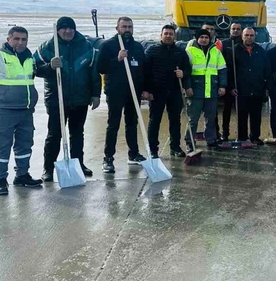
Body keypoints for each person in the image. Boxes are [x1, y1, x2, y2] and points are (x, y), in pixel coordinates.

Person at [0, 26, 42, 195]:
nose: (20, 42)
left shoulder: (30, 59)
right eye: (16, 39)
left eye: (24, 39)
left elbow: (30, 79)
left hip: (25, 109)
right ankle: (0, 179)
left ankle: (22, 175)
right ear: (8, 39)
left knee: (25, 144)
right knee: (2, 145)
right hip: (4, 110)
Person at [34, 16, 101, 181]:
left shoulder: (86, 46)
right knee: (54, 134)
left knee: (77, 134)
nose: (67, 31)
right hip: (57, 99)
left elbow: (94, 73)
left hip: (80, 98)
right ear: (58, 30)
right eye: (64, 28)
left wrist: (95, 94)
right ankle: (48, 168)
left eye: (71, 28)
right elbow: (35, 69)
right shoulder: (48, 47)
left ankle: (78, 164)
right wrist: (50, 66)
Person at [98, 17, 147, 174]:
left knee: (132, 123)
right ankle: (108, 158)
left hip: (133, 91)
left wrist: (144, 89)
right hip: (115, 91)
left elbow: (143, 69)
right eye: (124, 26)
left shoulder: (137, 47)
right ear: (117, 28)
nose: (127, 29)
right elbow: (101, 67)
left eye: (130, 27)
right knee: (113, 124)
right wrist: (117, 59)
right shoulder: (108, 45)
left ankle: (133, 154)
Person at [145, 24, 191, 158]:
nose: (168, 36)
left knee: (175, 121)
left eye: (171, 34)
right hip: (157, 92)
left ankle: (175, 147)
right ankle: (153, 150)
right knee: (154, 121)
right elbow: (145, 72)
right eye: (166, 34)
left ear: (174, 36)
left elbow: (188, 69)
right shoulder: (152, 50)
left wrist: (183, 73)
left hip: (175, 91)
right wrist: (146, 90)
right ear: (161, 35)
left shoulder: (180, 52)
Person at [185, 28, 226, 149]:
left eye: (206, 37)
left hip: (212, 90)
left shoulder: (216, 52)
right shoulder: (189, 51)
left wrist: (222, 86)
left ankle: (211, 140)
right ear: (197, 39)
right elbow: (186, 72)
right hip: (195, 91)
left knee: (211, 119)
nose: (204, 39)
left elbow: (222, 70)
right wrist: (187, 87)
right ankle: (190, 142)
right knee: (193, 119)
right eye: (201, 37)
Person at [233, 27, 271, 145]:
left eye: (251, 35)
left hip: (257, 88)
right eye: (246, 35)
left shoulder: (260, 51)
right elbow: (230, 70)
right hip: (241, 89)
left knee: (256, 115)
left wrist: (266, 87)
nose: (249, 37)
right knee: (242, 115)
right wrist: (232, 86)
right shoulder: (235, 50)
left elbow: (267, 69)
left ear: (255, 36)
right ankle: (242, 137)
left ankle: (254, 137)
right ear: (242, 36)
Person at [220, 22, 243, 141]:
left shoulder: (244, 43)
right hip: (228, 81)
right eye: (233, 28)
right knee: (227, 109)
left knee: (242, 109)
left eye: (238, 29)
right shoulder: (224, 44)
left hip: (241, 81)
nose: (235, 31)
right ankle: (225, 132)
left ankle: (242, 133)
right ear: (230, 30)